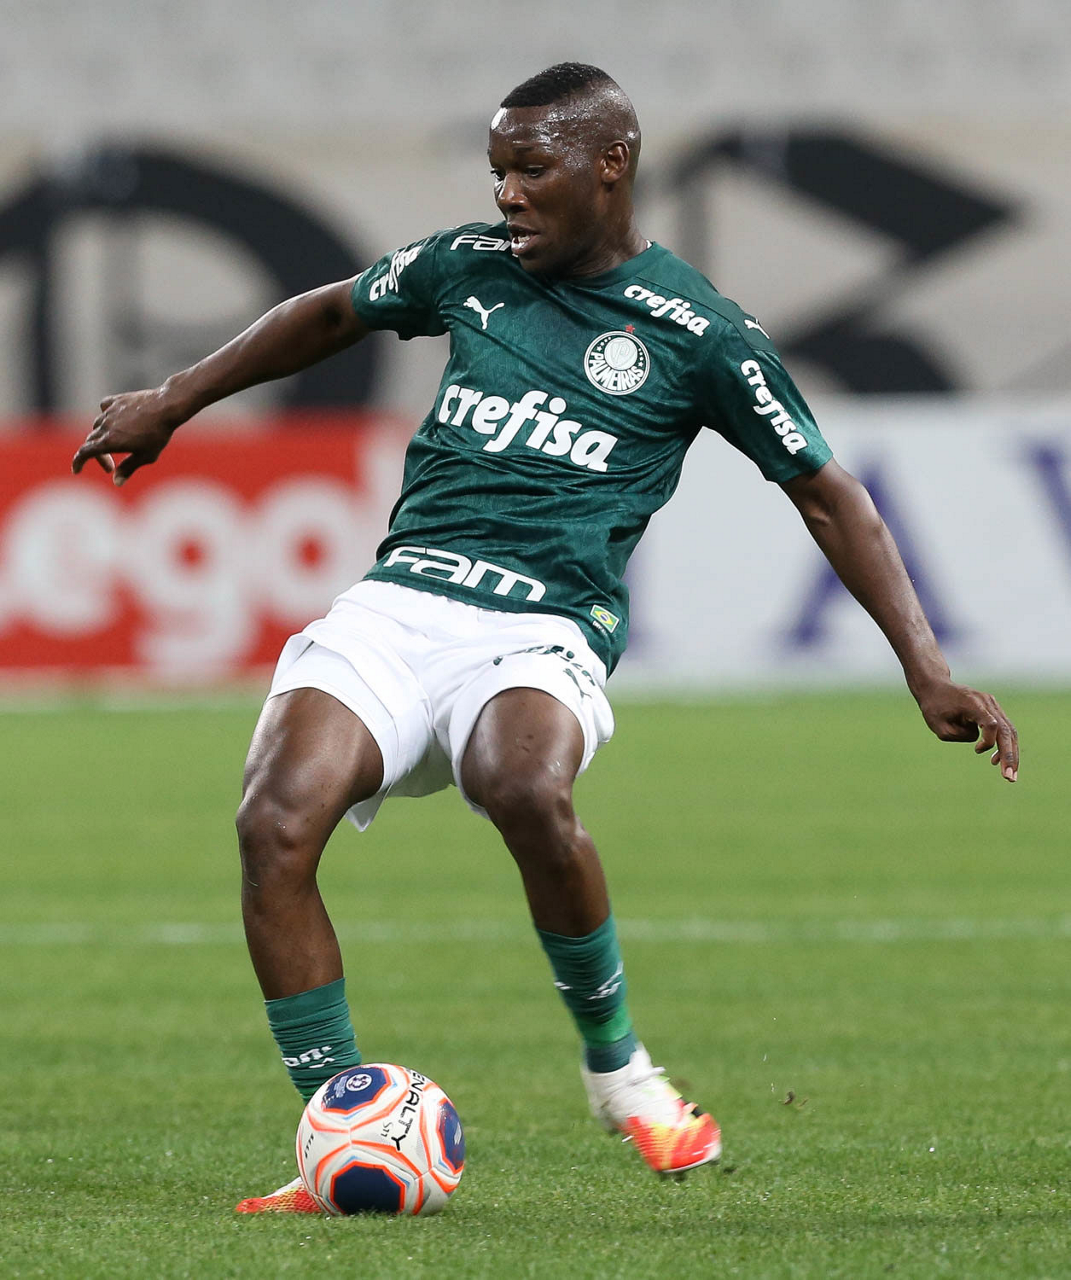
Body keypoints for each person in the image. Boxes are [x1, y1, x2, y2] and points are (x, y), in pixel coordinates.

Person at [72, 62, 1019, 1211]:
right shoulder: (466, 266)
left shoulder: (701, 332)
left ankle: (622, 1072)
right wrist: (173, 398)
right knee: (273, 820)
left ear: (609, 165)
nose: (508, 193)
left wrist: (927, 668)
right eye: (498, 171)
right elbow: (328, 311)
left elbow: (830, 494)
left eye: (531, 169)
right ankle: (338, 1124)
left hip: (542, 627)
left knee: (521, 781)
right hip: (401, 601)